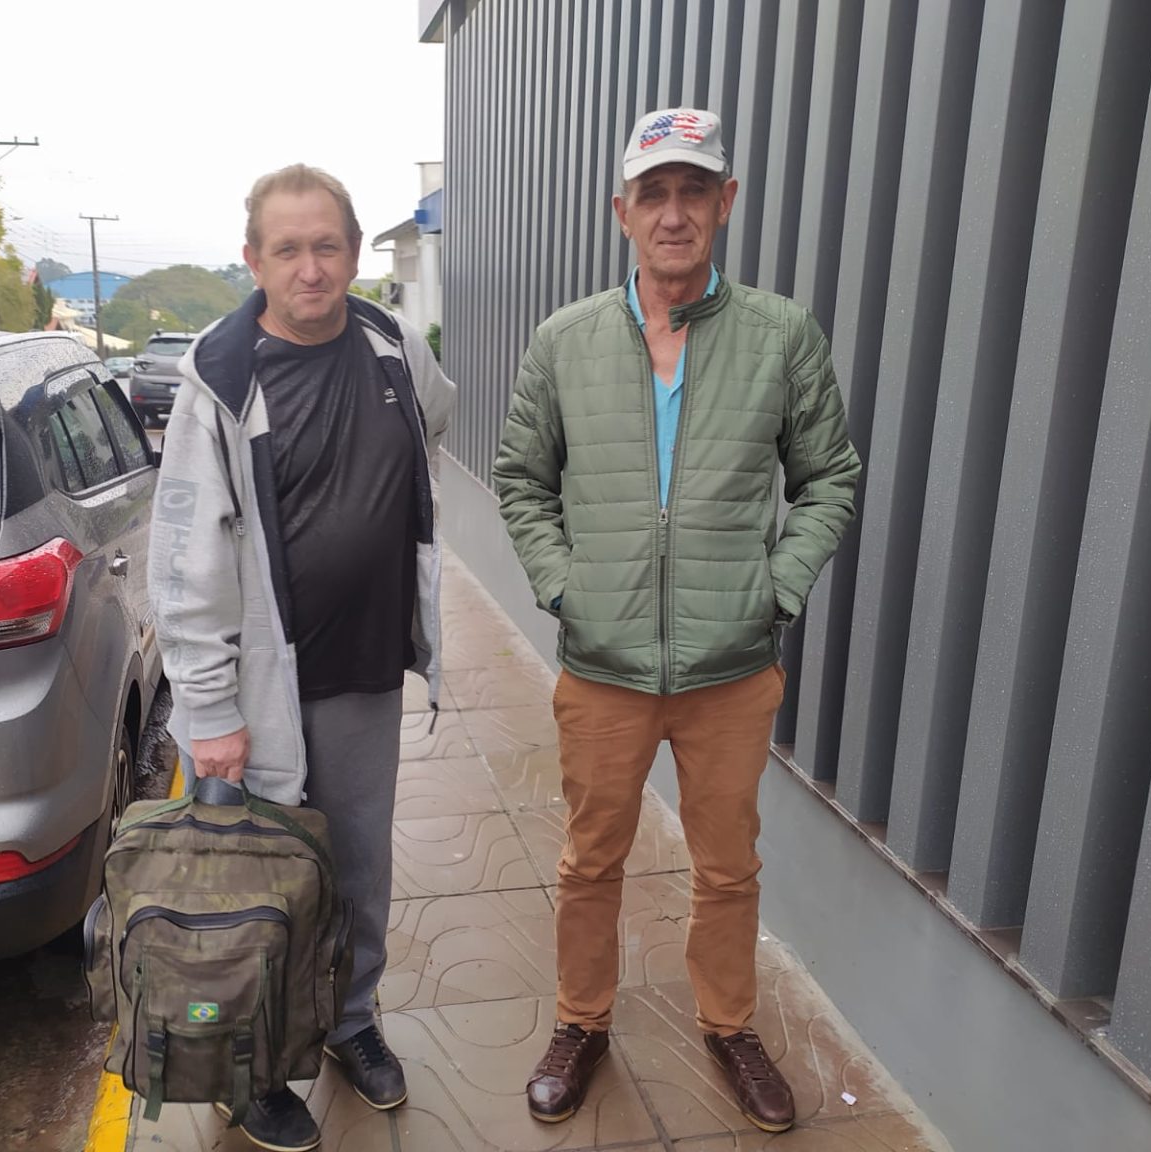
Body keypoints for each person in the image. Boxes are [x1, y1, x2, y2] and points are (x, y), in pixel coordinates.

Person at [493, 107, 860, 1135]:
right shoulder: (565, 341)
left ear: (725, 203)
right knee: (589, 860)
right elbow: (521, 479)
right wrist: (567, 587)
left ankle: (729, 1025)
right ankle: (581, 1022)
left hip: (729, 670)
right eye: (652, 193)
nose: (673, 213)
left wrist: (774, 590)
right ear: (622, 211)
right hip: (603, 667)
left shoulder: (781, 335)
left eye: (693, 190)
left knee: (729, 867)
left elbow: (829, 478)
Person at [147, 163, 456, 1152]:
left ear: (356, 253)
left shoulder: (393, 348)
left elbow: (435, 421)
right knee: (251, 891)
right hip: (254, 696)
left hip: (363, 672)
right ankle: (247, 1069)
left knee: (359, 870)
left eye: (327, 246)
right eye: (288, 249)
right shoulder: (220, 378)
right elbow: (184, 564)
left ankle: (352, 1023)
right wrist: (208, 711)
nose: (310, 268)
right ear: (254, 260)